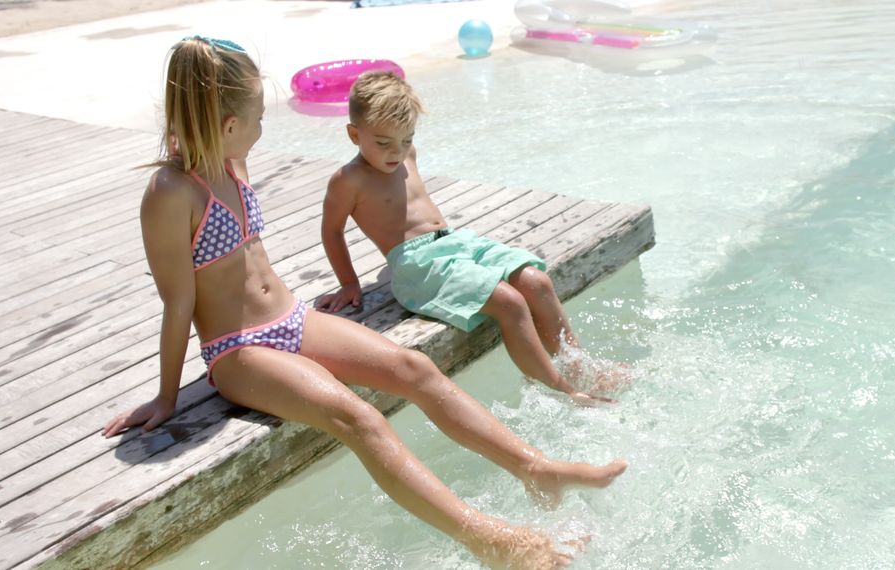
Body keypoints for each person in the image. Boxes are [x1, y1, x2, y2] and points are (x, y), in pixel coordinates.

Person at [102, 36, 627, 569]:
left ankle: (535, 468)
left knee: (413, 366)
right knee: (358, 417)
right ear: (229, 124)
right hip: (238, 349)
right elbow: (177, 302)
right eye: (260, 116)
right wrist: (167, 397)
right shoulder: (171, 191)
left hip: (293, 318)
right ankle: (492, 542)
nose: (265, 127)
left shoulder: (232, 163)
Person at [318, 72, 627, 404]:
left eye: (406, 139)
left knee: (537, 282)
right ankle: (561, 388)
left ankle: (578, 365)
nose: (396, 151)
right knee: (509, 302)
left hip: (454, 243)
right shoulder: (349, 180)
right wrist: (349, 283)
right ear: (354, 134)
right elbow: (331, 231)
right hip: (417, 265)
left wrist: (402, 146)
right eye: (383, 143)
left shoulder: (409, 154)